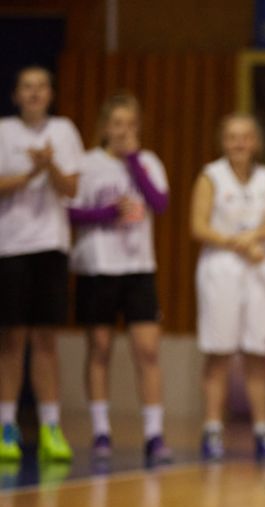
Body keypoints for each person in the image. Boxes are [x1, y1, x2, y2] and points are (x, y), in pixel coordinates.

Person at [68, 92, 171, 467]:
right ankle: (100, 430)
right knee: (99, 347)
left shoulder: (147, 162)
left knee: (147, 349)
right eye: (117, 124)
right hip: (98, 266)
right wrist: (107, 213)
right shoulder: (87, 164)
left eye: (130, 124)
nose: (124, 131)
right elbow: (70, 212)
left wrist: (133, 161)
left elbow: (160, 203)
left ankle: (154, 433)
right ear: (104, 127)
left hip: (138, 267)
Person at [190, 113, 265, 463]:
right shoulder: (211, 176)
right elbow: (198, 226)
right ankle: (213, 429)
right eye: (232, 137)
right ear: (223, 141)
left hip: (257, 266)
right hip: (222, 268)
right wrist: (238, 243)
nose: (239, 143)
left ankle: (262, 431)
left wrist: (253, 237)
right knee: (219, 352)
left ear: (255, 142)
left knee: (257, 352)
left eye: (245, 137)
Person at [0, 66, 83, 463]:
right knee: (12, 338)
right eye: (27, 87)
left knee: (46, 339)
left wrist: (49, 166)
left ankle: (51, 426)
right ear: (16, 95)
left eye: (41, 87)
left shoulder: (64, 131)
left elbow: (72, 188)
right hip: (11, 246)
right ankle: (7, 425)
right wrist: (30, 172)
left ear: (50, 94)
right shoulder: (4, 131)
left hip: (51, 244)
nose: (34, 93)